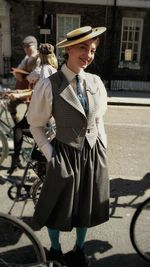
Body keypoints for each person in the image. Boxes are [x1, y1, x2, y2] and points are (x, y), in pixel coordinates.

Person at [27, 26, 109, 267]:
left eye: (92, 50)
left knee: (86, 204)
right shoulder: (50, 84)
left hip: (93, 153)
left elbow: (98, 117)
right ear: (69, 50)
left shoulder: (94, 81)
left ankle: (79, 249)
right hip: (64, 153)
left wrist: (102, 145)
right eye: (83, 48)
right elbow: (35, 125)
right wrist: (51, 155)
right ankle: (54, 250)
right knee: (57, 206)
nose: (88, 55)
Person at [7, 43, 58, 175]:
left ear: (41, 55)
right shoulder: (55, 70)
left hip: (40, 115)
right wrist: (20, 92)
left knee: (17, 129)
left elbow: (33, 86)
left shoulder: (41, 70)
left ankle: (16, 161)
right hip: (49, 116)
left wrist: (18, 93)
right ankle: (39, 156)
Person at [8, 36, 40, 124]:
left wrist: (26, 76)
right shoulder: (26, 58)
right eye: (24, 46)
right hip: (23, 88)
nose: (26, 49)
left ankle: (22, 131)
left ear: (34, 46)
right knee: (11, 105)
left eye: (28, 46)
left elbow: (38, 74)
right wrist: (17, 73)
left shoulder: (38, 58)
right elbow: (19, 68)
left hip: (33, 90)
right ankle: (17, 126)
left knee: (29, 114)